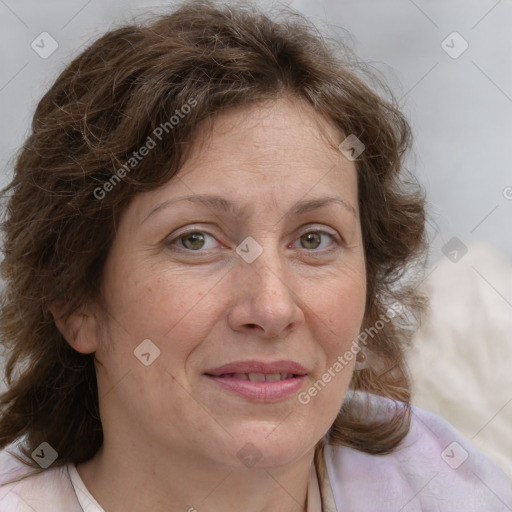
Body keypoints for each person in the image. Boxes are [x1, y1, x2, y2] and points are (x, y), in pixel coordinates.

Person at [0, 1, 510, 510]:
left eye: (314, 239)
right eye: (195, 239)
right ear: (72, 299)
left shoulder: (451, 486)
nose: (271, 309)